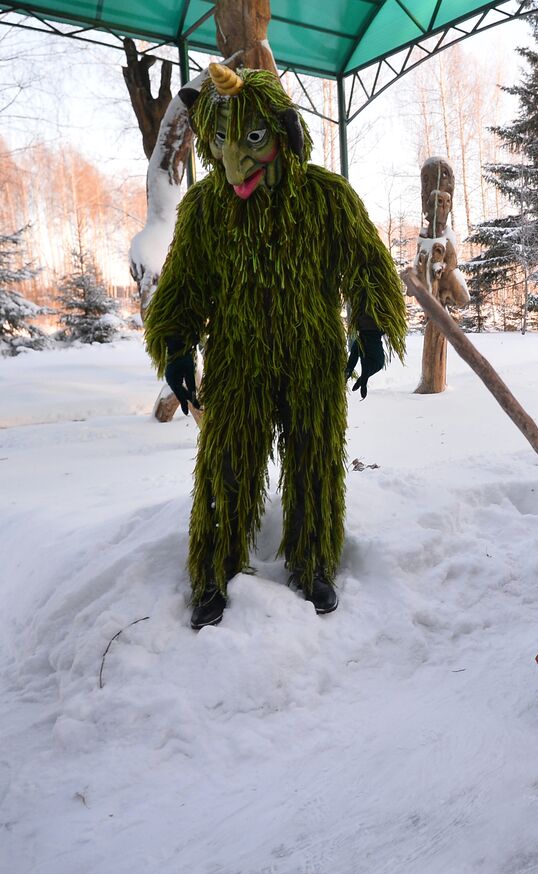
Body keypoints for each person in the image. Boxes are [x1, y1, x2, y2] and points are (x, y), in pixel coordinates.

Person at [143, 64, 407, 629]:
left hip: (314, 360)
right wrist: (177, 345)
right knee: (226, 465)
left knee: (316, 463)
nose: (234, 161)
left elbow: (367, 265)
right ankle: (214, 570)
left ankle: (314, 561)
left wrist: (369, 327)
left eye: (253, 138)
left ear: (285, 134)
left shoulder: (326, 198)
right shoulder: (206, 208)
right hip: (236, 363)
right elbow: (184, 285)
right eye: (220, 140)